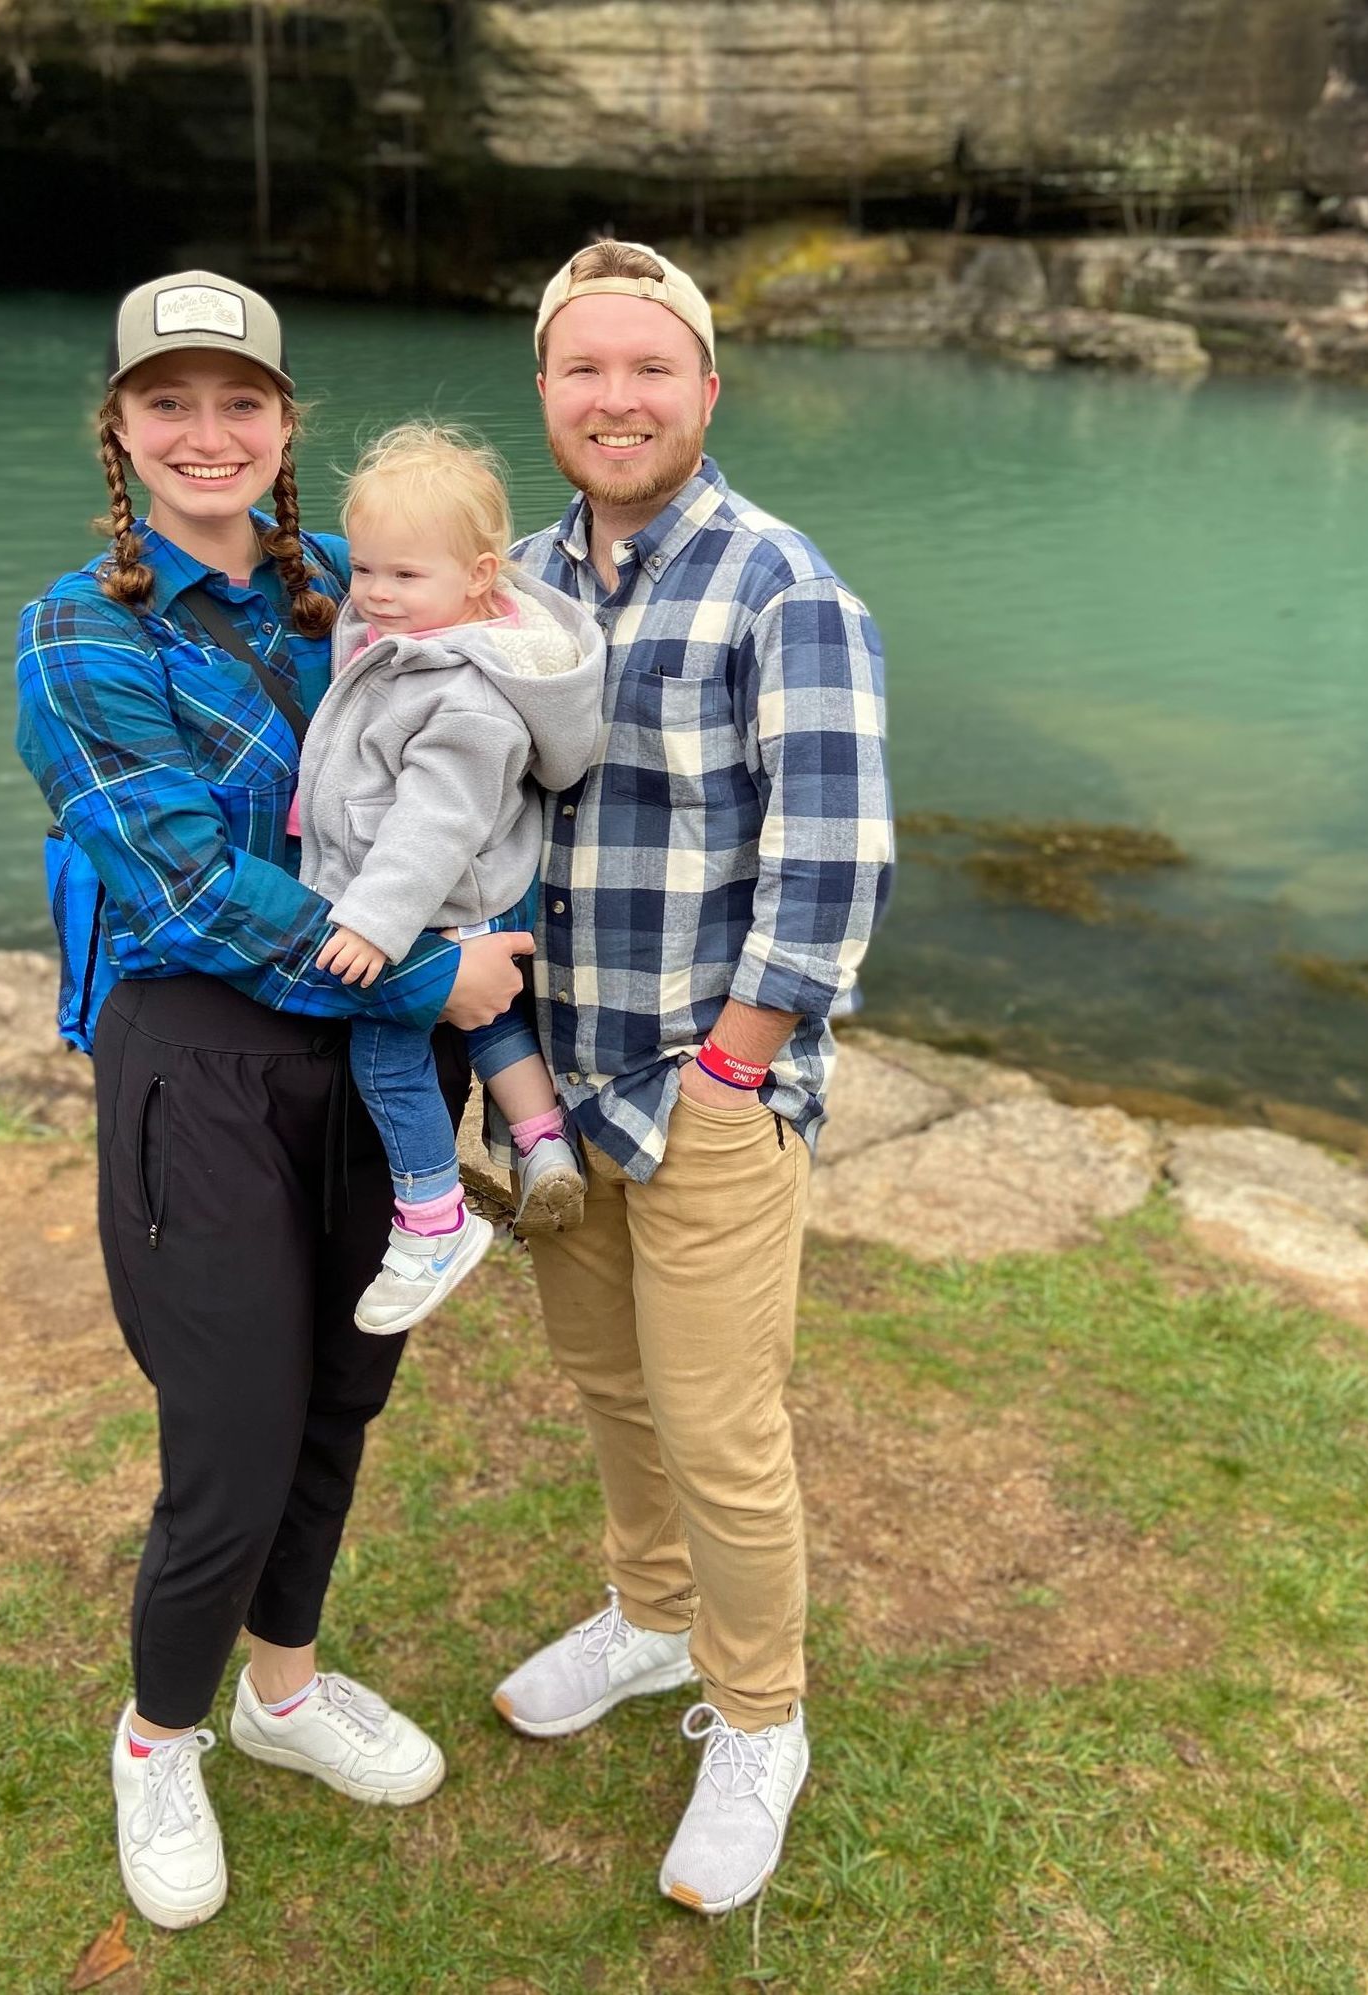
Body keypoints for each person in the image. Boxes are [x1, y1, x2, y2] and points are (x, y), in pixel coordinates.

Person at [14, 271, 530, 1932]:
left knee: (341, 1397)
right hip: (208, 1063)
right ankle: (158, 1735)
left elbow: (501, 736)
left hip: (379, 1061)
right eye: (168, 402)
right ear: (119, 426)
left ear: (284, 421)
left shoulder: (359, 591)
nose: (206, 432)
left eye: (237, 400)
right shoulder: (79, 628)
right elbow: (174, 888)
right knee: (228, 1431)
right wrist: (430, 971)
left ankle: (283, 1692)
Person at [490, 241, 894, 1914]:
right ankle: (649, 1620)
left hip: (702, 1094)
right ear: (545, 394)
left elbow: (834, 858)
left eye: (647, 368)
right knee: (609, 1389)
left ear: (704, 391)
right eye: (582, 369)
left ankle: (756, 1718)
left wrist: (737, 1064)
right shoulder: (509, 581)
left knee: (723, 1426)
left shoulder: (778, 586)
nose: (614, 397)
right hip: (555, 1097)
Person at [298, 422, 604, 1335]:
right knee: (493, 1020)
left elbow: (435, 822)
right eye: (365, 571)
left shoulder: (465, 694)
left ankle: (432, 1217)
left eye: (403, 576)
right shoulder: (442, 632)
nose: (375, 595)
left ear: (478, 576)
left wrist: (374, 923)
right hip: (479, 895)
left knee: (387, 1047)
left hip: (434, 898)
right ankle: (544, 1140)